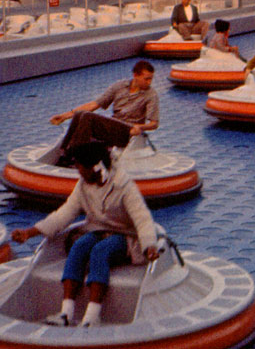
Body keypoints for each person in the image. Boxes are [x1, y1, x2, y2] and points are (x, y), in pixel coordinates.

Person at [11, 141, 159, 328]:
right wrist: (30, 232)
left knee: (100, 251)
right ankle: (66, 313)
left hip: (124, 235)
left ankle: (92, 317)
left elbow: (142, 218)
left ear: (96, 167)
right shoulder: (83, 186)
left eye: (81, 167)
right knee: (80, 245)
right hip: (96, 229)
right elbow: (64, 214)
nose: (78, 171)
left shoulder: (124, 185)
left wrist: (149, 245)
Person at [50, 60, 159, 166]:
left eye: (151, 79)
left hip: (128, 131)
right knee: (80, 114)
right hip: (113, 126)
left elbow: (154, 123)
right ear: (136, 75)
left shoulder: (151, 95)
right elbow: (94, 104)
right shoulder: (120, 86)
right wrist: (64, 116)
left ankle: (77, 157)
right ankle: (64, 152)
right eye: (147, 79)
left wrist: (139, 126)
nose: (149, 82)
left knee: (88, 117)